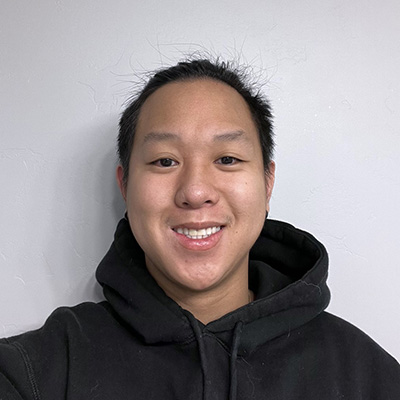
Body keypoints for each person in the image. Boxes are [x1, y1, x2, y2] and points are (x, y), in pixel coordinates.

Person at [0, 58, 399, 400]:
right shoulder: (34, 373)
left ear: (267, 183)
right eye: (164, 161)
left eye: (226, 158)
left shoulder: (368, 377)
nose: (194, 191)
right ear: (124, 185)